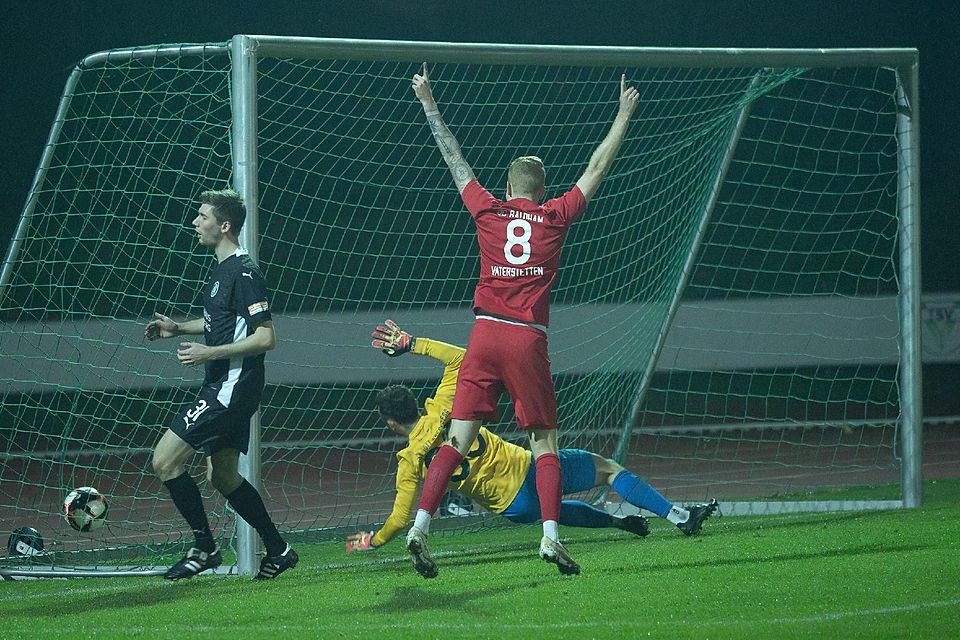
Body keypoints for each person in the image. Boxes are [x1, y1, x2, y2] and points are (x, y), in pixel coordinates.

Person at [405, 62, 639, 577]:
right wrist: (623, 115)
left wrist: (428, 101)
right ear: (542, 187)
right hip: (526, 339)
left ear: (508, 186)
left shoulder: (487, 211)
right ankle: (551, 538)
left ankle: (422, 526)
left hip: (484, 334)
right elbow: (597, 168)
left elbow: (456, 160)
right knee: (544, 442)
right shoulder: (556, 216)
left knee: (456, 439)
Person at [346, 321, 718, 557]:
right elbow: (462, 360)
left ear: (392, 423)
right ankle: (678, 515)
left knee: (546, 508)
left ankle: (617, 523)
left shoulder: (408, 461)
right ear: (415, 403)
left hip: (511, 507)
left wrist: (372, 541)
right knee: (606, 470)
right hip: (525, 468)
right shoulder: (444, 402)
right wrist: (412, 344)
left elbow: (398, 518)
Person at [144, 188, 297, 580]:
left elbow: (266, 338)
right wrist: (178, 329)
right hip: (229, 386)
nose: (196, 222)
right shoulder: (222, 270)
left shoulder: (244, 273)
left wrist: (207, 354)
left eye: (203, 217)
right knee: (223, 477)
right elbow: (221, 324)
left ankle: (204, 546)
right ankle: (279, 550)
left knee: (165, 460)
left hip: (231, 387)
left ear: (224, 225)